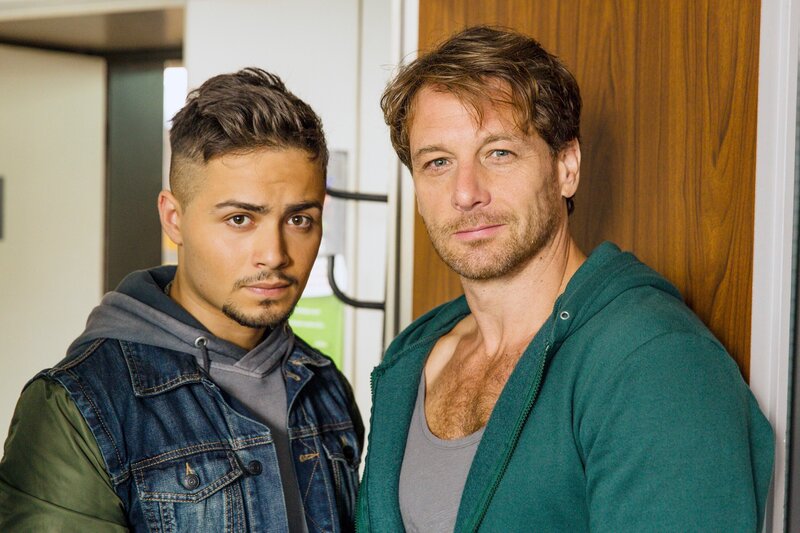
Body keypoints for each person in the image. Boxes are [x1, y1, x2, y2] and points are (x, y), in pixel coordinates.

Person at [357, 26, 773, 532]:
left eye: (499, 153)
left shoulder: (656, 361)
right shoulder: (412, 357)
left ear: (566, 167)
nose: (466, 193)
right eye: (438, 162)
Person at [0, 67, 363, 532]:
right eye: (240, 219)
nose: (274, 255)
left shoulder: (323, 383)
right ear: (174, 219)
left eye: (299, 220)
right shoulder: (79, 404)